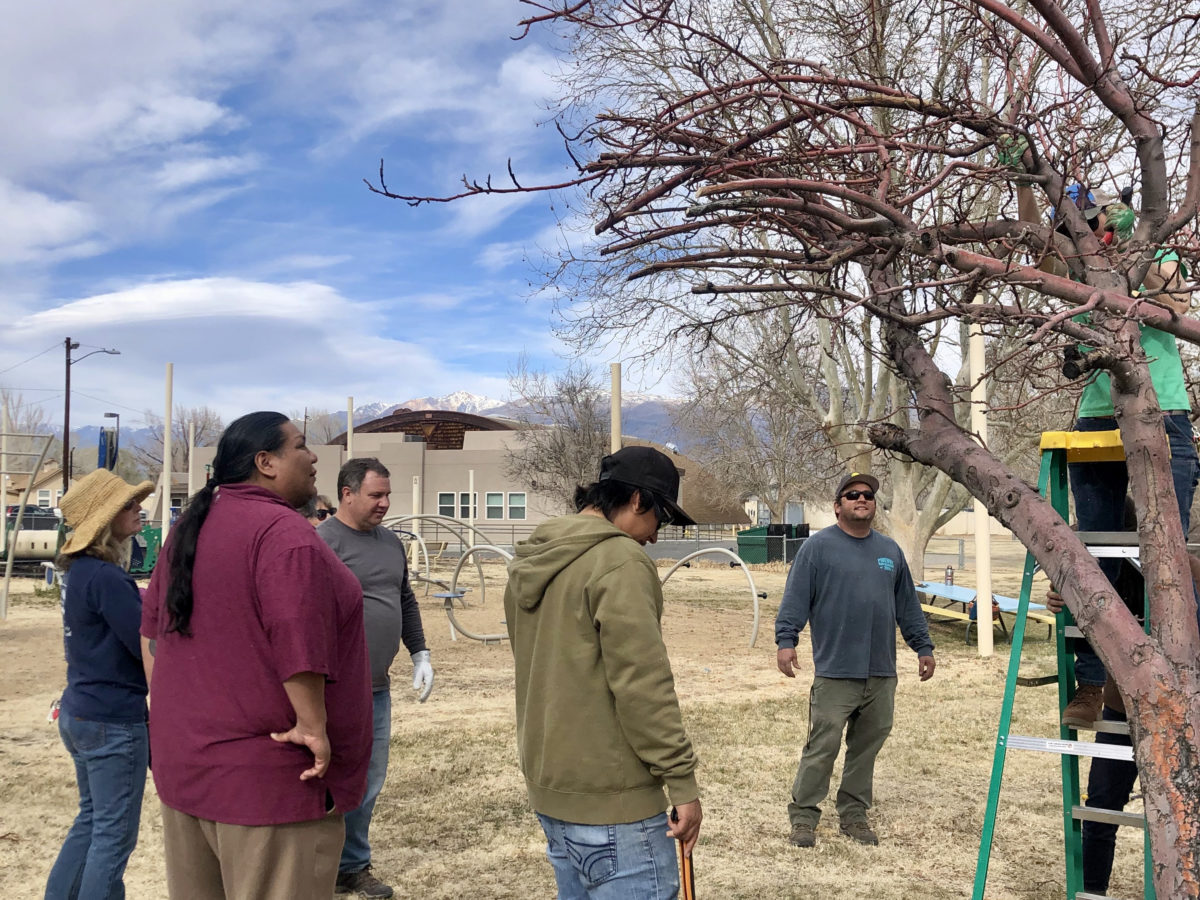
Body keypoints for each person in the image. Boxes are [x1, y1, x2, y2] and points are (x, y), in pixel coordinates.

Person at [139, 411, 372, 900]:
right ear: (266, 462)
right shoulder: (283, 534)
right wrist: (312, 727)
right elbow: (298, 643)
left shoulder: (190, 527)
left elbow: (152, 635)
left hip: (189, 770)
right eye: (301, 446)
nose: (313, 457)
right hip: (270, 788)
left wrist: (171, 716)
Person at [1016, 179, 1198, 727]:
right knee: (1095, 556)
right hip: (1098, 417)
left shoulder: (1151, 254)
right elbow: (1035, 244)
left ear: (1107, 219)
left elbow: (1178, 303)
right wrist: (1023, 181)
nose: (1080, 234)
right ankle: (1092, 682)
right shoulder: (1076, 268)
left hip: (1161, 409)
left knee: (1165, 554)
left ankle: (1180, 674)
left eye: (1087, 222)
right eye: (1069, 226)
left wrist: (1134, 247)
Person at [504, 445, 703, 898]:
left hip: (552, 792)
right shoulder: (621, 561)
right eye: (660, 518)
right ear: (637, 499)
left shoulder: (533, 558)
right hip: (615, 804)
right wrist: (682, 781)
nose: (656, 537)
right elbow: (644, 686)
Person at [776, 473, 935, 848]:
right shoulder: (817, 548)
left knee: (865, 749)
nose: (862, 499)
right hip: (836, 671)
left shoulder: (890, 551)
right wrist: (786, 640)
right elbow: (795, 599)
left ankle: (853, 815)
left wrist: (923, 647)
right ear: (837, 506)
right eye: (852, 495)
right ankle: (804, 818)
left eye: (868, 495)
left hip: (881, 672)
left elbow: (907, 607)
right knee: (822, 747)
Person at [317, 458, 433, 899]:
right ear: (347, 494)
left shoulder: (390, 543)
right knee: (328, 780)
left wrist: (419, 651)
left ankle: (352, 866)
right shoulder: (322, 543)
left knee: (368, 780)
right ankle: (316, 867)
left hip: (377, 689)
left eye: (387, 495)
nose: (385, 503)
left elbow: (403, 599)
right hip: (331, 690)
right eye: (376, 495)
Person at [45, 469, 154, 900]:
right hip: (114, 718)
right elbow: (144, 644)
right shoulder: (108, 578)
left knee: (91, 821)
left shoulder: (81, 572)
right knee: (113, 836)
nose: (139, 509)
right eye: (128, 504)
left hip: (81, 709)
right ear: (106, 520)